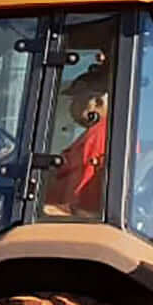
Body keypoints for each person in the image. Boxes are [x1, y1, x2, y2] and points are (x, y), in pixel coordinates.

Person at [46, 66, 110, 218]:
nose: (71, 106)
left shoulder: (99, 137)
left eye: (75, 99)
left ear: (97, 102)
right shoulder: (101, 133)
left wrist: (50, 211)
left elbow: (82, 205)